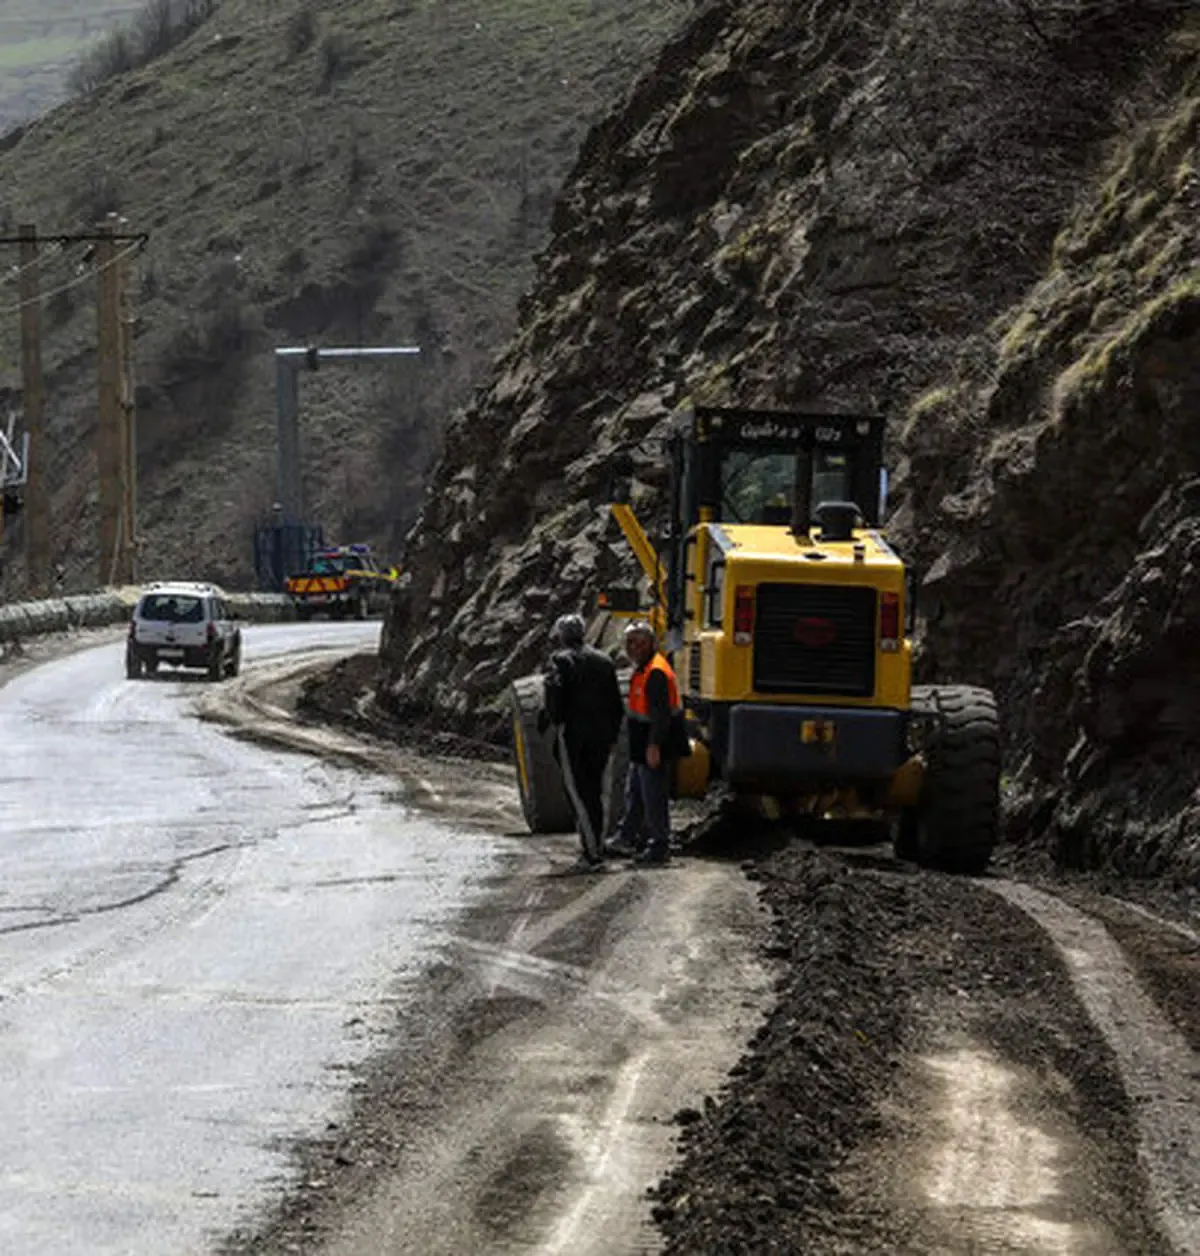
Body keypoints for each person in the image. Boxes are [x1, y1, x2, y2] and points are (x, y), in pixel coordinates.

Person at [541, 612, 626, 872]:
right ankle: (594, 846)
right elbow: (616, 704)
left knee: (579, 792)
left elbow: (554, 699)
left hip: (574, 737)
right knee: (596, 792)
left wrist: (552, 722)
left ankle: (592, 855)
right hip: (601, 737)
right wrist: (611, 736)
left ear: (561, 636)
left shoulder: (560, 661)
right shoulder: (604, 661)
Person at [608, 620, 688, 866]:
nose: (635, 648)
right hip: (643, 746)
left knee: (653, 796)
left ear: (651, 643)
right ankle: (627, 836)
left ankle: (659, 846)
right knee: (636, 792)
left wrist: (654, 746)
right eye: (630, 643)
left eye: (640, 643)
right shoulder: (644, 669)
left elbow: (661, 715)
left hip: (654, 746)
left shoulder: (655, 672)